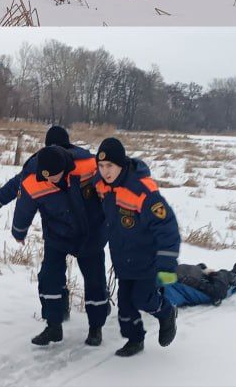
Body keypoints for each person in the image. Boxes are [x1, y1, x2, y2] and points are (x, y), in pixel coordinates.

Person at [0, 126, 109, 346]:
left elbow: (117, 181)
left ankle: (96, 327)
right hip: (57, 234)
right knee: (49, 278)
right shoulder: (35, 173)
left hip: (91, 233)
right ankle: (53, 326)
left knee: (95, 281)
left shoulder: (89, 165)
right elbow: (19, 199)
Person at [95, 137, 180, 358]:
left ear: (121, 164)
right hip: (123, 259)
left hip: (147, 260)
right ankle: (135, 340)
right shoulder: (103, 185)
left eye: (110, 166)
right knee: (125, 306)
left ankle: (166, 312)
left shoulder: (141, 191)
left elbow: (167, 226)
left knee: (143, 299)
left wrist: (166, 265)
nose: (105, 171)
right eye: (101, 166)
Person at [164, 262, 236, 307]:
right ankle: (234, 279)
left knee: (214, 274)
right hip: (198, 287)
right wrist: (196, 283)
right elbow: (219, 292)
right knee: (221, 278)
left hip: (189, 278)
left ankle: (230, 276)